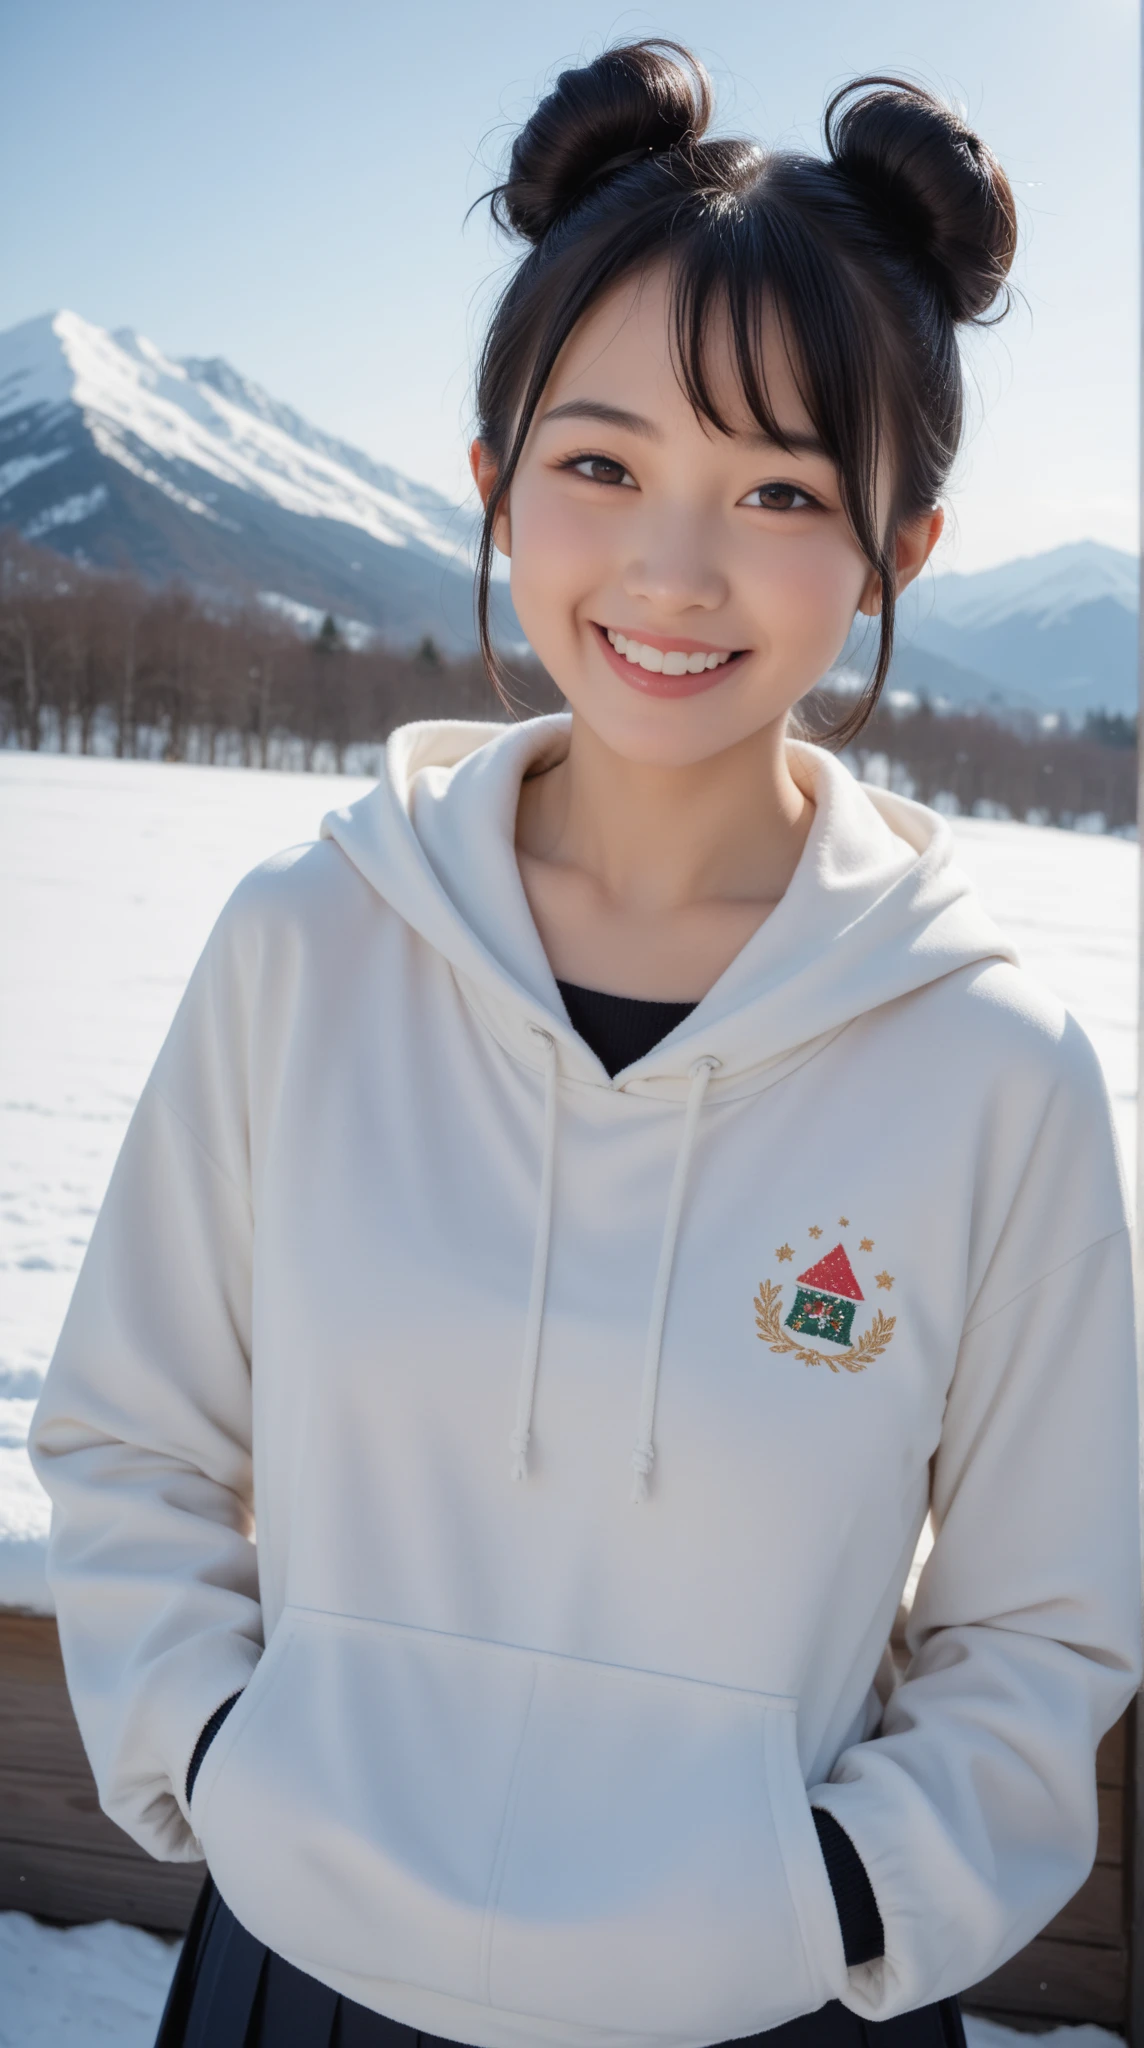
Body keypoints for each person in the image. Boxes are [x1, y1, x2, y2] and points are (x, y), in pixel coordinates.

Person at [30, 39, 1141, 2048]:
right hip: (302, 1978)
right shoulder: (309, 946)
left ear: (897, 546)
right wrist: (217, 1755)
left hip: (759, 2009)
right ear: (492, 477)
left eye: (780, 489)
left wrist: (833, 1894)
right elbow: (130, 1441)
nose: (669, 567)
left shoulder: (991, 1061)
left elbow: (1039, 1631)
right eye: (602, 461)